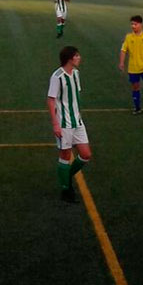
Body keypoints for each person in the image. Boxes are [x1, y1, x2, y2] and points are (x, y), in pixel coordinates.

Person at [47, 46, 91, 203]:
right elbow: (51, 100)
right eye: (77, 56)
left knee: (86, 154)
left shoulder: (76, 74)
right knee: (65, 155)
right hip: (63, 123)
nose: (79, 58)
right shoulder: (57, 76)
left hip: (77, 121)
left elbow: (75, 96)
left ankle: (66, 177)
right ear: (69, 59)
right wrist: (55, 124)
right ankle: (66, 189)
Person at [119, 15, 143, 115]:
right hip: (133, 68)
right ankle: (137, 107)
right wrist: (121, 62)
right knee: (135, 87)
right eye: (132, 24)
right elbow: (123, 50)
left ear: (140, 25)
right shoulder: (128, 37)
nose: (133, 26)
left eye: (135, 24)